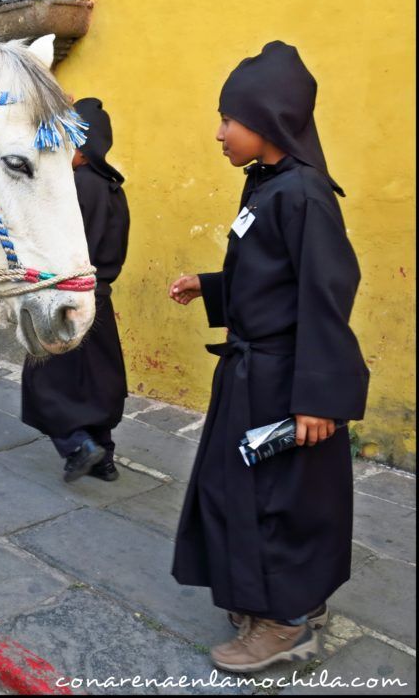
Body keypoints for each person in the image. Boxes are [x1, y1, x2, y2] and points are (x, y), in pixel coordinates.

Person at [168, 41, 369, 673]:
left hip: (289, 384)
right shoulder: (266, 186)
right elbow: (272, 279)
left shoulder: (304, 195)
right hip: (252, 372)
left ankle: (286, 626)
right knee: (243, 493)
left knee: (282, 502)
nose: (220, 133)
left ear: (269, 119)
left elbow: (325, 294)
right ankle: (264, 597)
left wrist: (319, 398)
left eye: (230, 119)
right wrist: (213, 285)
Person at [21, 97, 130, 483]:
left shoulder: (73, 189)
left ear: (82, 148)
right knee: (97, 383)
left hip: (66, 299)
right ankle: (105, 459)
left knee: (45, 381)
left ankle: (77, 447)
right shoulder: (114, 189)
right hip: (100, 298)